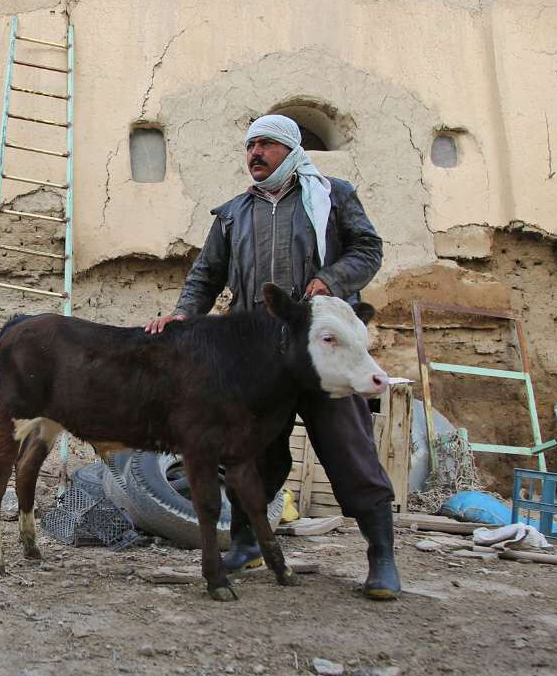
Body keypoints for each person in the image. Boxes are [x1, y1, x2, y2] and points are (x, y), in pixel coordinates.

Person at [145, 114, 400, 600]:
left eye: (265, 145)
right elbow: (206, 275)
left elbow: (369, 249)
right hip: (257, 360)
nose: (254, 154)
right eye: (249, 146)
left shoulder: (333, 195)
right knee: (250, 450)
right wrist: (183, 315)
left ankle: (381, 556)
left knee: (348, 447)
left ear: (289, 148)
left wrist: (332, 279)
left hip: (323, 350)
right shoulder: (233, 213)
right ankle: (245, 543)